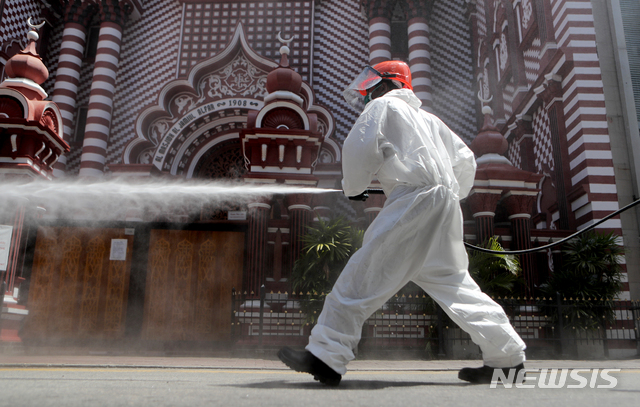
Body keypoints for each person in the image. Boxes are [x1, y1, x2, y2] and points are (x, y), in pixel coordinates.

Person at [278, 60, 526, 386]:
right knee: (455, 285)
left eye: (372, 87)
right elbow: (466, 160)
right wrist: (448, 197)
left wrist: (354, 187)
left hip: (413, 200)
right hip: (445, 202)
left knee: (363, 273)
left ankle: (326, 355)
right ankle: (507, 360)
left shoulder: (383, 107)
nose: (368, 94)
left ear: (386, 84)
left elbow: (358, 147)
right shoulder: (431, 120)